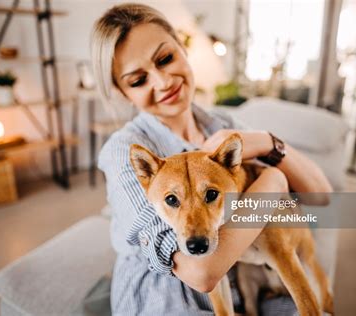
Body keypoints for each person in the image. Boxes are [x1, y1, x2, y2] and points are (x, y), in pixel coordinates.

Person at [92, 3, 332, 315]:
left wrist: (267, 142)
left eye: (165, 59)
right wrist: (274, 180)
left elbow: (322, 196)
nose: (163, 83)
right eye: (138, 80)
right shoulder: (125, 151)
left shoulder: (222, 126)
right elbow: (201, 272)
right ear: (123, 93)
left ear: (182, 48)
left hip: (245, 286)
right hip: (166, 300)